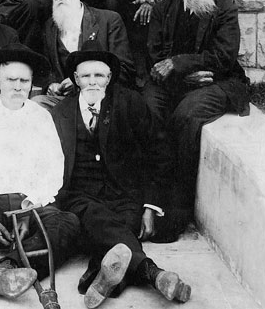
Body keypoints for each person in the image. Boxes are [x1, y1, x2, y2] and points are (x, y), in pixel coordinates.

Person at [51, 44, 191, 307]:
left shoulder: (130, 103)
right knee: (98, 219)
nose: (93, 82)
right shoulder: (60, 113)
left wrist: (150, 205)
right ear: (76, 79)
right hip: (81, 197)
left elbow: (159, 153)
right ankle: (154, 274)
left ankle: (100, 275)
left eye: (100, 75)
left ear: (109, 78)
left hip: (124, 194)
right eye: (86, 76)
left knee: (119, 229)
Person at [0, 43, 80, 301]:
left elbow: (53, 167)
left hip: (29, 205)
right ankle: (19, 263)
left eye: (24, 81)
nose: (18, 87)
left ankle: (5, 269)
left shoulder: (41, 117)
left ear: (32, 84)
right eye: (11, 80)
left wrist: (29, 207)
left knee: (67, 224)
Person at [143, 0, 249, 233]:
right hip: (175, 82)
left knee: (187, 115)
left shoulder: (224, 7)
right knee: (148, 108)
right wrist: (180, 75)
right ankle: (149, 199)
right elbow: (155, 54)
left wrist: (179, 63)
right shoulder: (163, 7)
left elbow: (224, 58)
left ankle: (179, 209)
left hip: (217, 81)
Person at [39, 0, 135, 107]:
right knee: (38, 103)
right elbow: (48, 70)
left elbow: (124, 70)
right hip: (67, 102)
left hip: (102, 98)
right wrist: (52, 85)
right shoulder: (50, 26)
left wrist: (81, 81)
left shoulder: (108, 20)